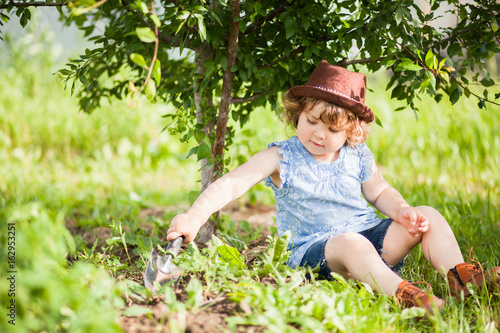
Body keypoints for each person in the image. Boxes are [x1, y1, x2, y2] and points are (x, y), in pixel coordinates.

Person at [166, 60, 500, 315]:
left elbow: (379, 191)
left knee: (428, 215)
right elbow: (232, 183)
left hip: (370, 241)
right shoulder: (281, 157)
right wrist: (193, 217)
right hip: (316, 252)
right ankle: (406, 295)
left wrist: (403, 212)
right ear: (298, 113)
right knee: (350, 243)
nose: (319, 134)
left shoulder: (355, 155)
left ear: (350, 132)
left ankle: (459, 277)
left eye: (331, 129)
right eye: (310, 121)